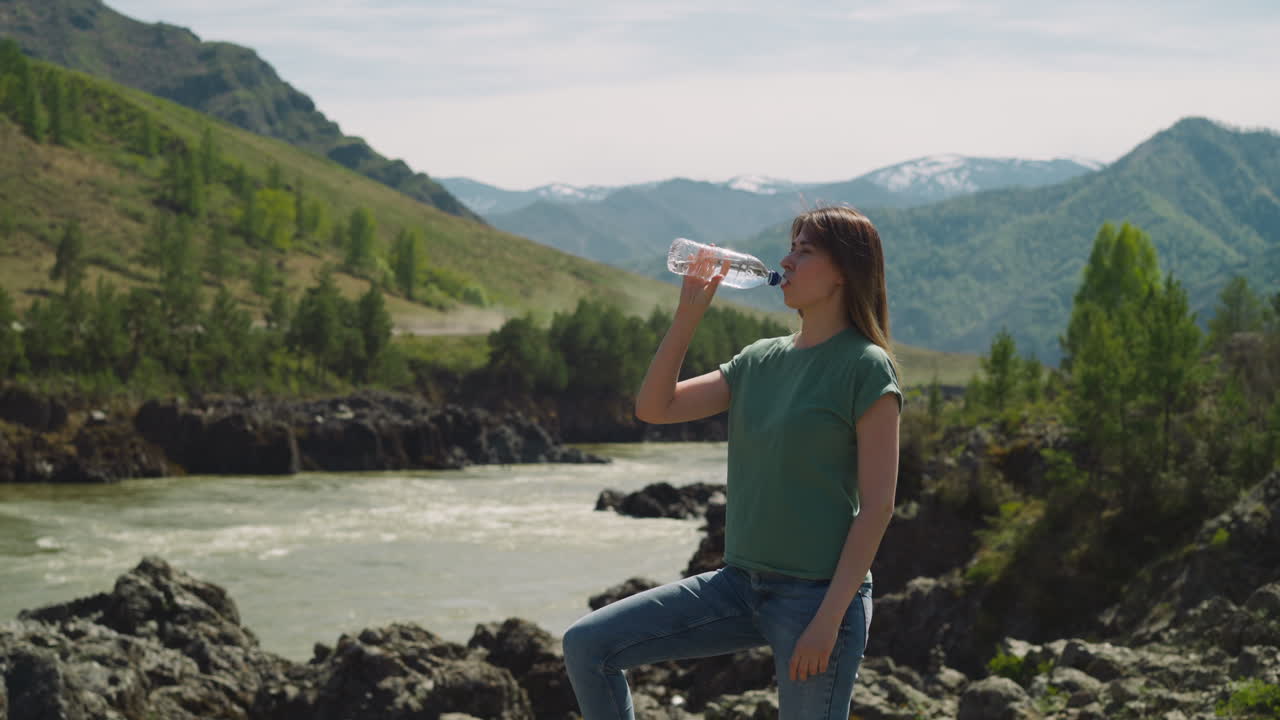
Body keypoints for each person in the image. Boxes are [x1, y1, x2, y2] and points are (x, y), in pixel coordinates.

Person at [562, 205, 903, 720]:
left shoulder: (865, 366)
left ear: (843, 271)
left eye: (804, 251)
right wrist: (688, 316)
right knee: (588, 646)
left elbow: (877, 507)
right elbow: (655, 408)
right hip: (738, 585)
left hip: (817, 600)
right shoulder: (759, 359)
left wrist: (828, 621)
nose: (786, 259)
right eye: (790, 246)